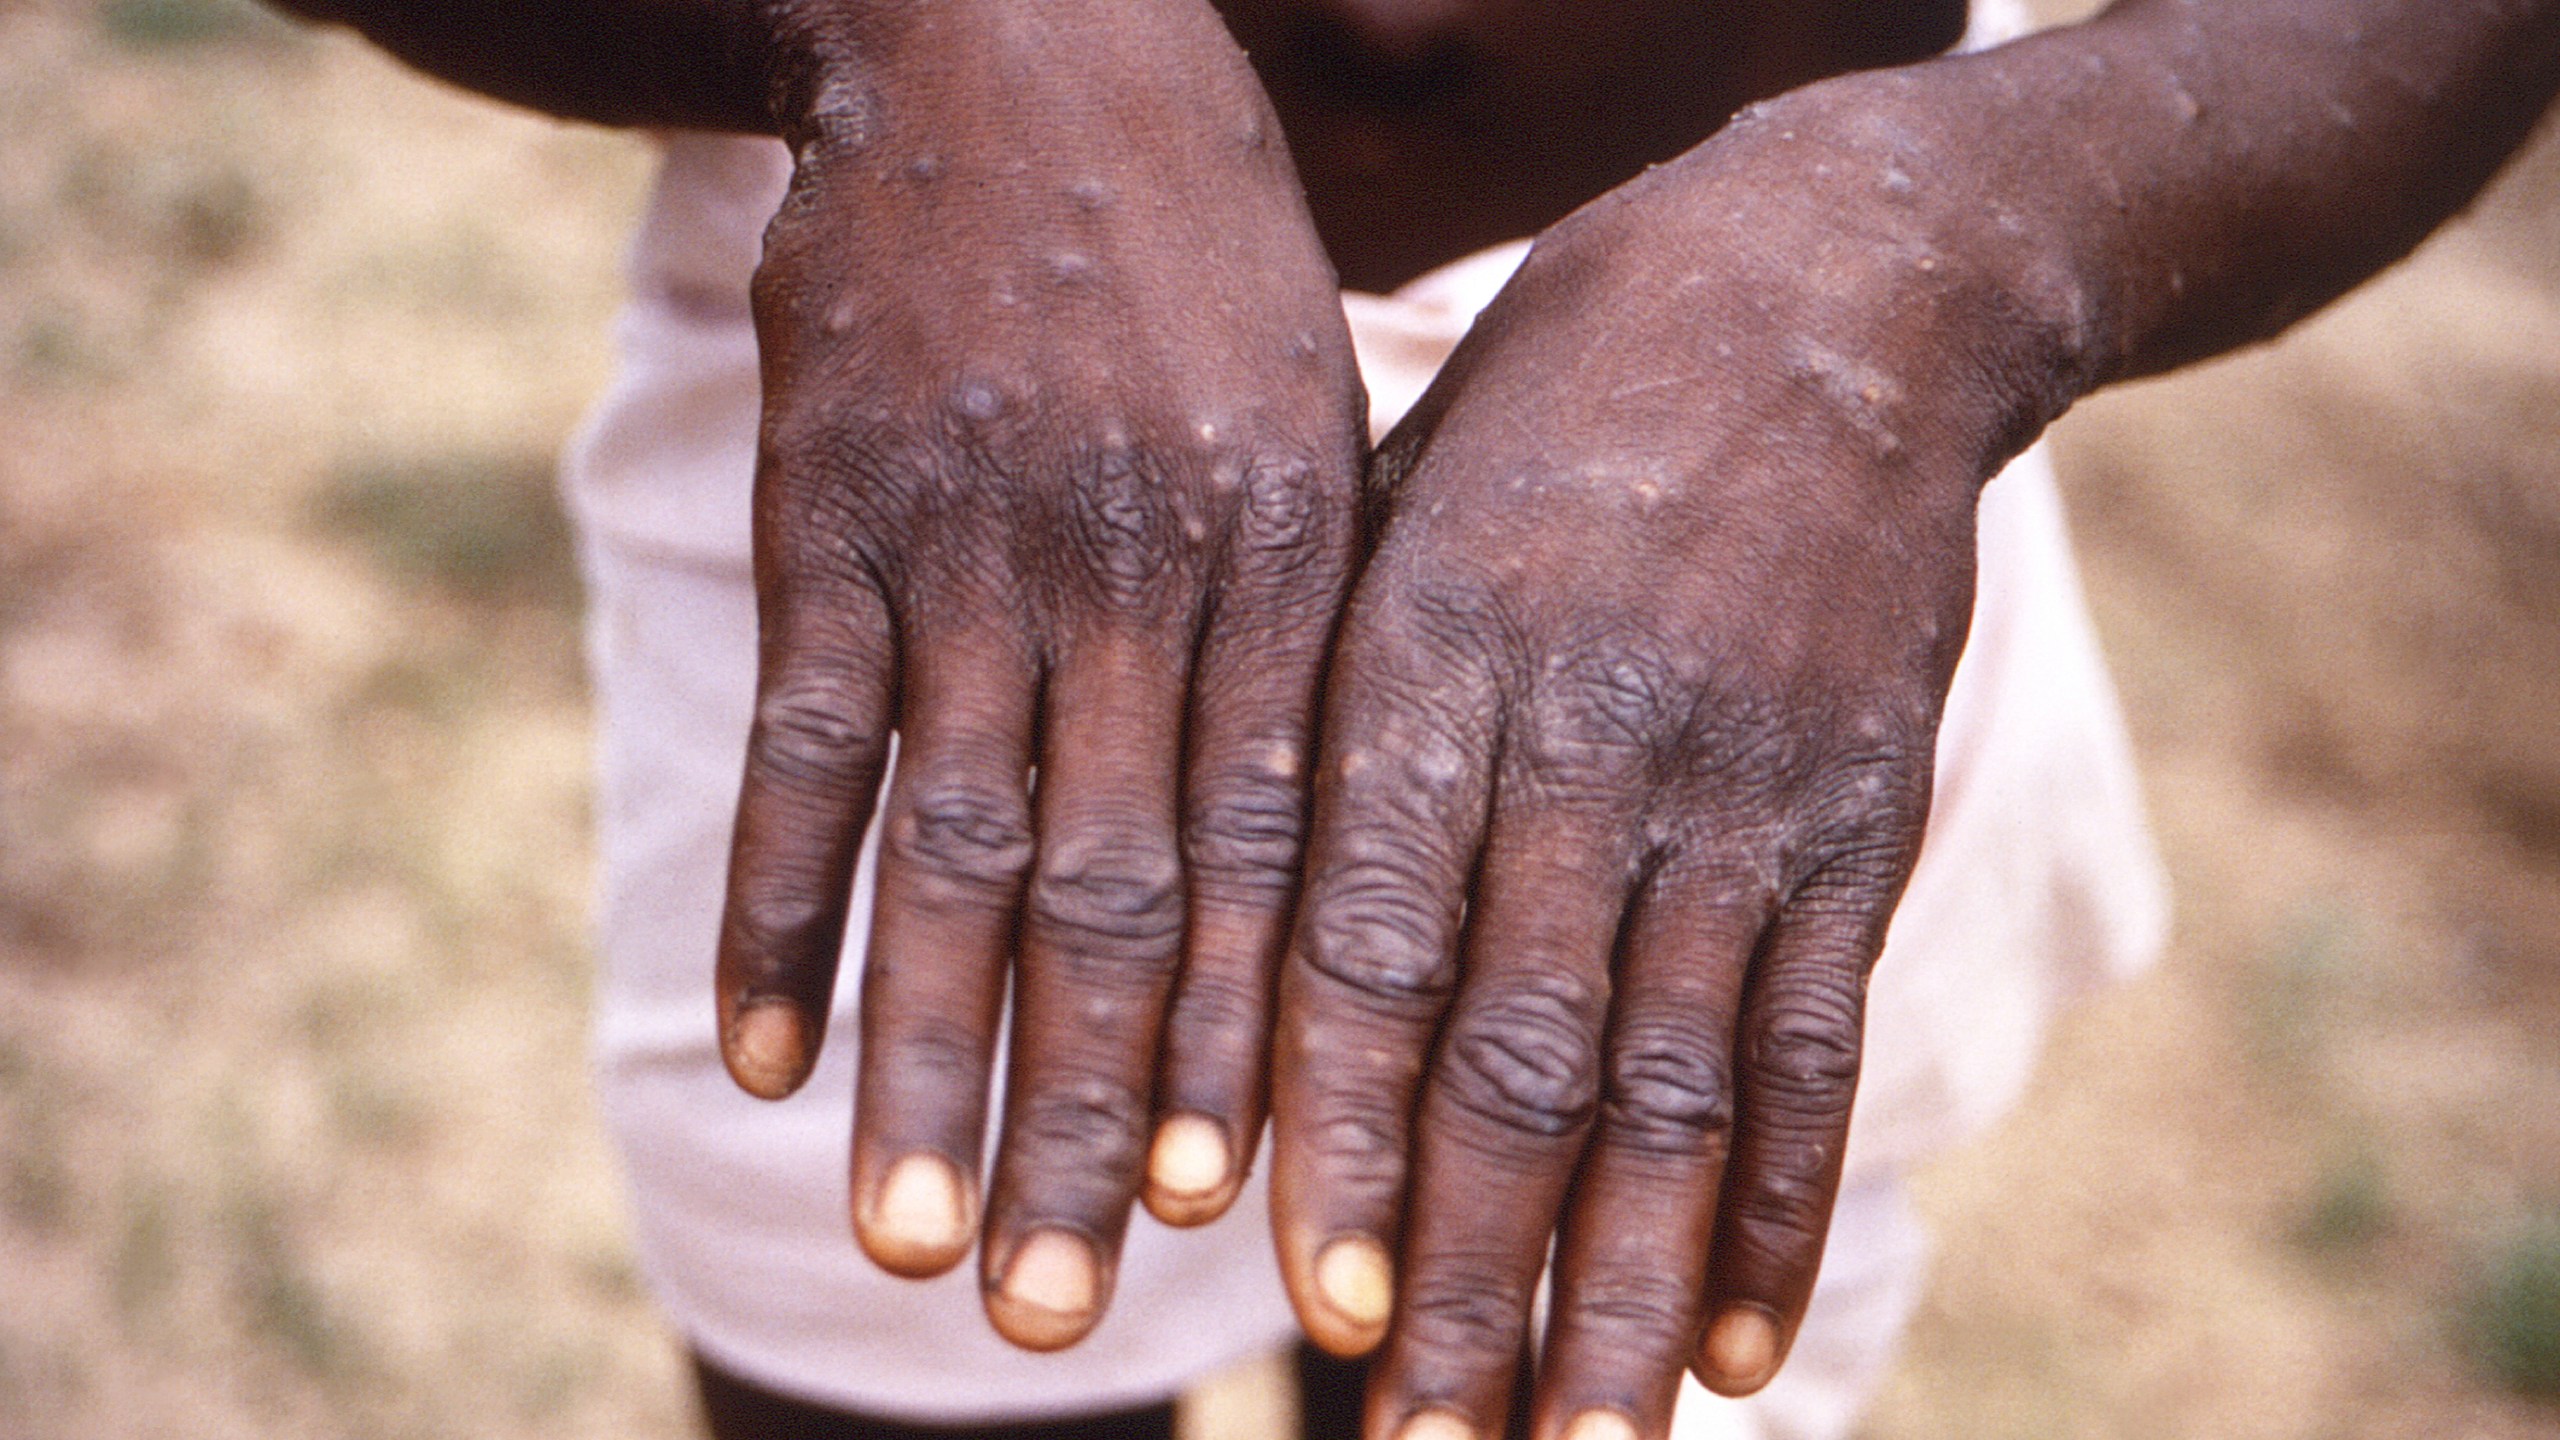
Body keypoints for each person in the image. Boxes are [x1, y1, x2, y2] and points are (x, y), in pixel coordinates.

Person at [259, 0, 2560, 1436]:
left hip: (1771, 510)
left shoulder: (1873, 322)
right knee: (901, 1333)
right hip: (972, 395)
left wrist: (1925, 252)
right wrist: (914, 21)